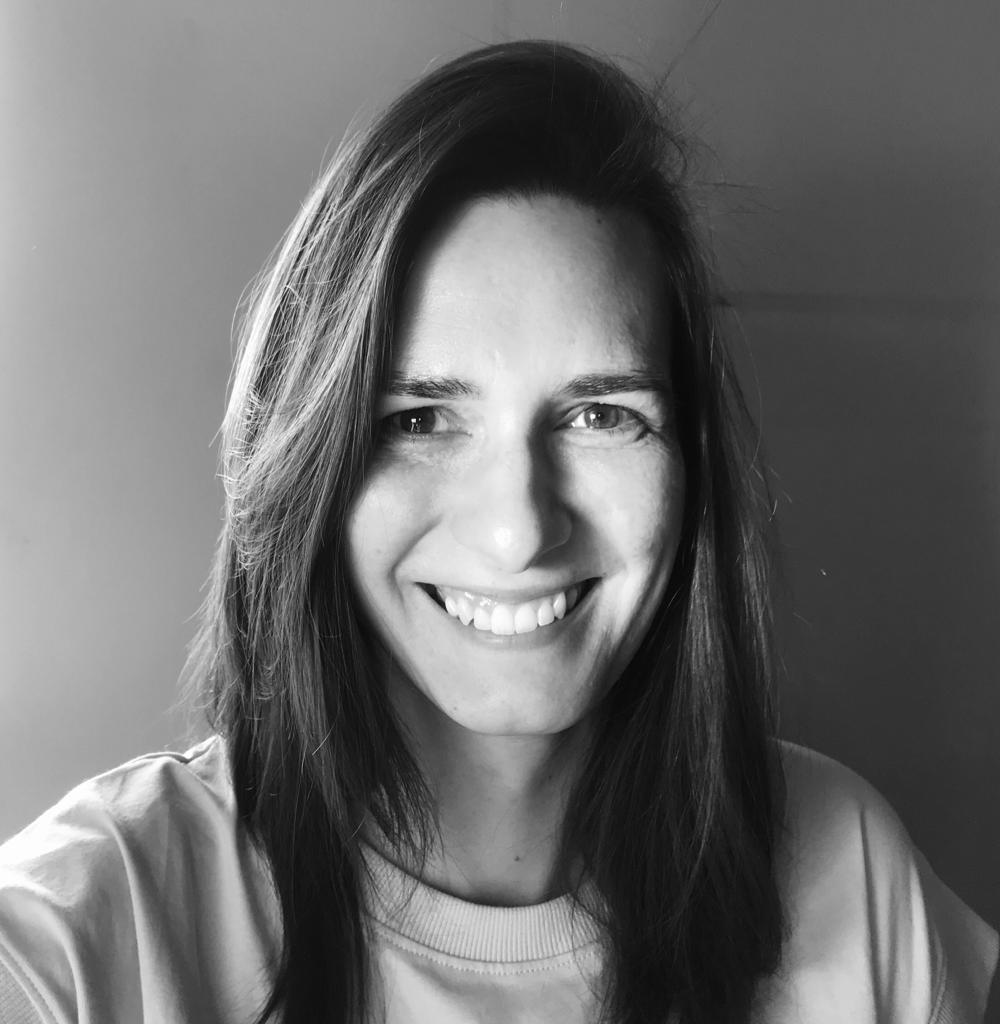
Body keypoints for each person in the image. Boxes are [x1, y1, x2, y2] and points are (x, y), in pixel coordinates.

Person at [0, 40, 995, 1024]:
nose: (520, 531)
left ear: (691, 464)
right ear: (310, 463)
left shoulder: (852, 876)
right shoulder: (84, 935)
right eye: (421, 420)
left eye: (600, 414)